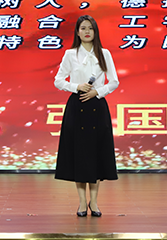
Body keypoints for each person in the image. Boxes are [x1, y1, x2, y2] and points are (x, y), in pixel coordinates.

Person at [54, 15, 119, 217]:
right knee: (79, 155)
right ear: (77, 32)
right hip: (77, 106)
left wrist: (97, 92)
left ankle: (95, 202)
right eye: (83, 28)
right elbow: (58, 80)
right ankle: (82, 202)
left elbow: (114, 81)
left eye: (90, 28)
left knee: (96, 155)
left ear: (95, 31)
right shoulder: (70, 54)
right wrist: (77, 87)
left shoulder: (104, 53)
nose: (87, 31)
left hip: (97, 106)